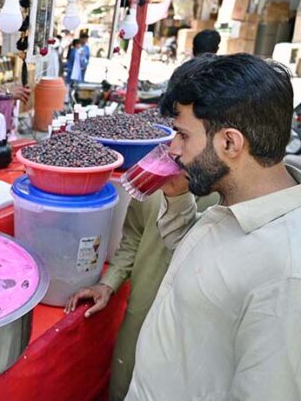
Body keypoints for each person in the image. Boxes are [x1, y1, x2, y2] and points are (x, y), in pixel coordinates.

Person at [126, 53, 301, 400]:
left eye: (182, 135)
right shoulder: (238, 206)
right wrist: (177, 200)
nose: (173, 149)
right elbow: (200, 266)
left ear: (230, 143)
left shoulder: (286, 275)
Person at [65, 179, 218, 401]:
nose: (175, 147)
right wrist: (109, 281)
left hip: (191, 332)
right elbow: (134, 234)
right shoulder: (156, 172)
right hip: (141, 315)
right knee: (124, 381)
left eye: (184, 140)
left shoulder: (231, 191)